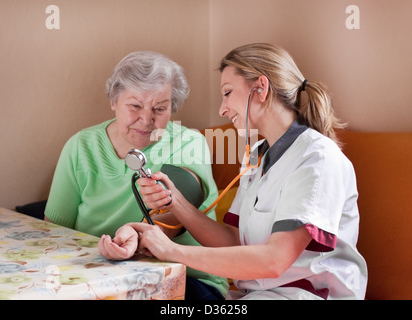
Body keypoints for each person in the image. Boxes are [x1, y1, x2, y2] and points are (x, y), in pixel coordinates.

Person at [98, 43, 368, 300]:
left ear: (260, 88)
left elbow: (274, 261)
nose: (222, 109)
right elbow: (232, 240)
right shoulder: (258, 156)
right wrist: (175, 201)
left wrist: (171, 250)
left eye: (227, 92)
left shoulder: (316, 159)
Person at [44, 51, 229, 300]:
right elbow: (54, 231)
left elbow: (172, 218)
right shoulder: (81, 146)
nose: (146, 120)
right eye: (135, 106)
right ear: (114, 101)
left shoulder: (189, 143)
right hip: (95, 277)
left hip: (185, 277)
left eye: (160, 108)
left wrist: (134, 239)